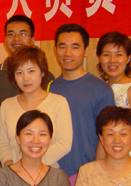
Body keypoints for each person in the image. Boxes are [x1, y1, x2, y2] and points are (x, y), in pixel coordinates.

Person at [49, 24, 115, 177]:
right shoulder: (48, 88)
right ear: (55, 50)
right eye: (62, 47)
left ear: (86, 51)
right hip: (51, 174)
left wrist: (96, 173)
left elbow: (107, 136)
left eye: (75, 47)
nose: (68, 53)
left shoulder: (101, 90)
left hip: (86, 174)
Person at [0, 45, 72, 168]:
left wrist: (32, 166)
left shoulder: (58, 102)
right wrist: (11, 167)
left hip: (46, 173)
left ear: (42, 72)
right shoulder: (7, 105)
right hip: (13, 175)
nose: (25, 78)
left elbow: (64, 143)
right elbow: (2, 143)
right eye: (19, 72)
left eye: (31, 71)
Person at [0, 15, 54, 113]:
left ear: (32, 40)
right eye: (11, 34)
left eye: (23, 34)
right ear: (5, 40)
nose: (16, 39)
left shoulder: (46, 76)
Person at [96, 31, 131, 160]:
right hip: (106, 159)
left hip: (127, 159)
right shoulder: (100, 88)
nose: (112, 60)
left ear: (128, 58)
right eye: (106, 55)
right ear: (99, 57)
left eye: (118, 55)